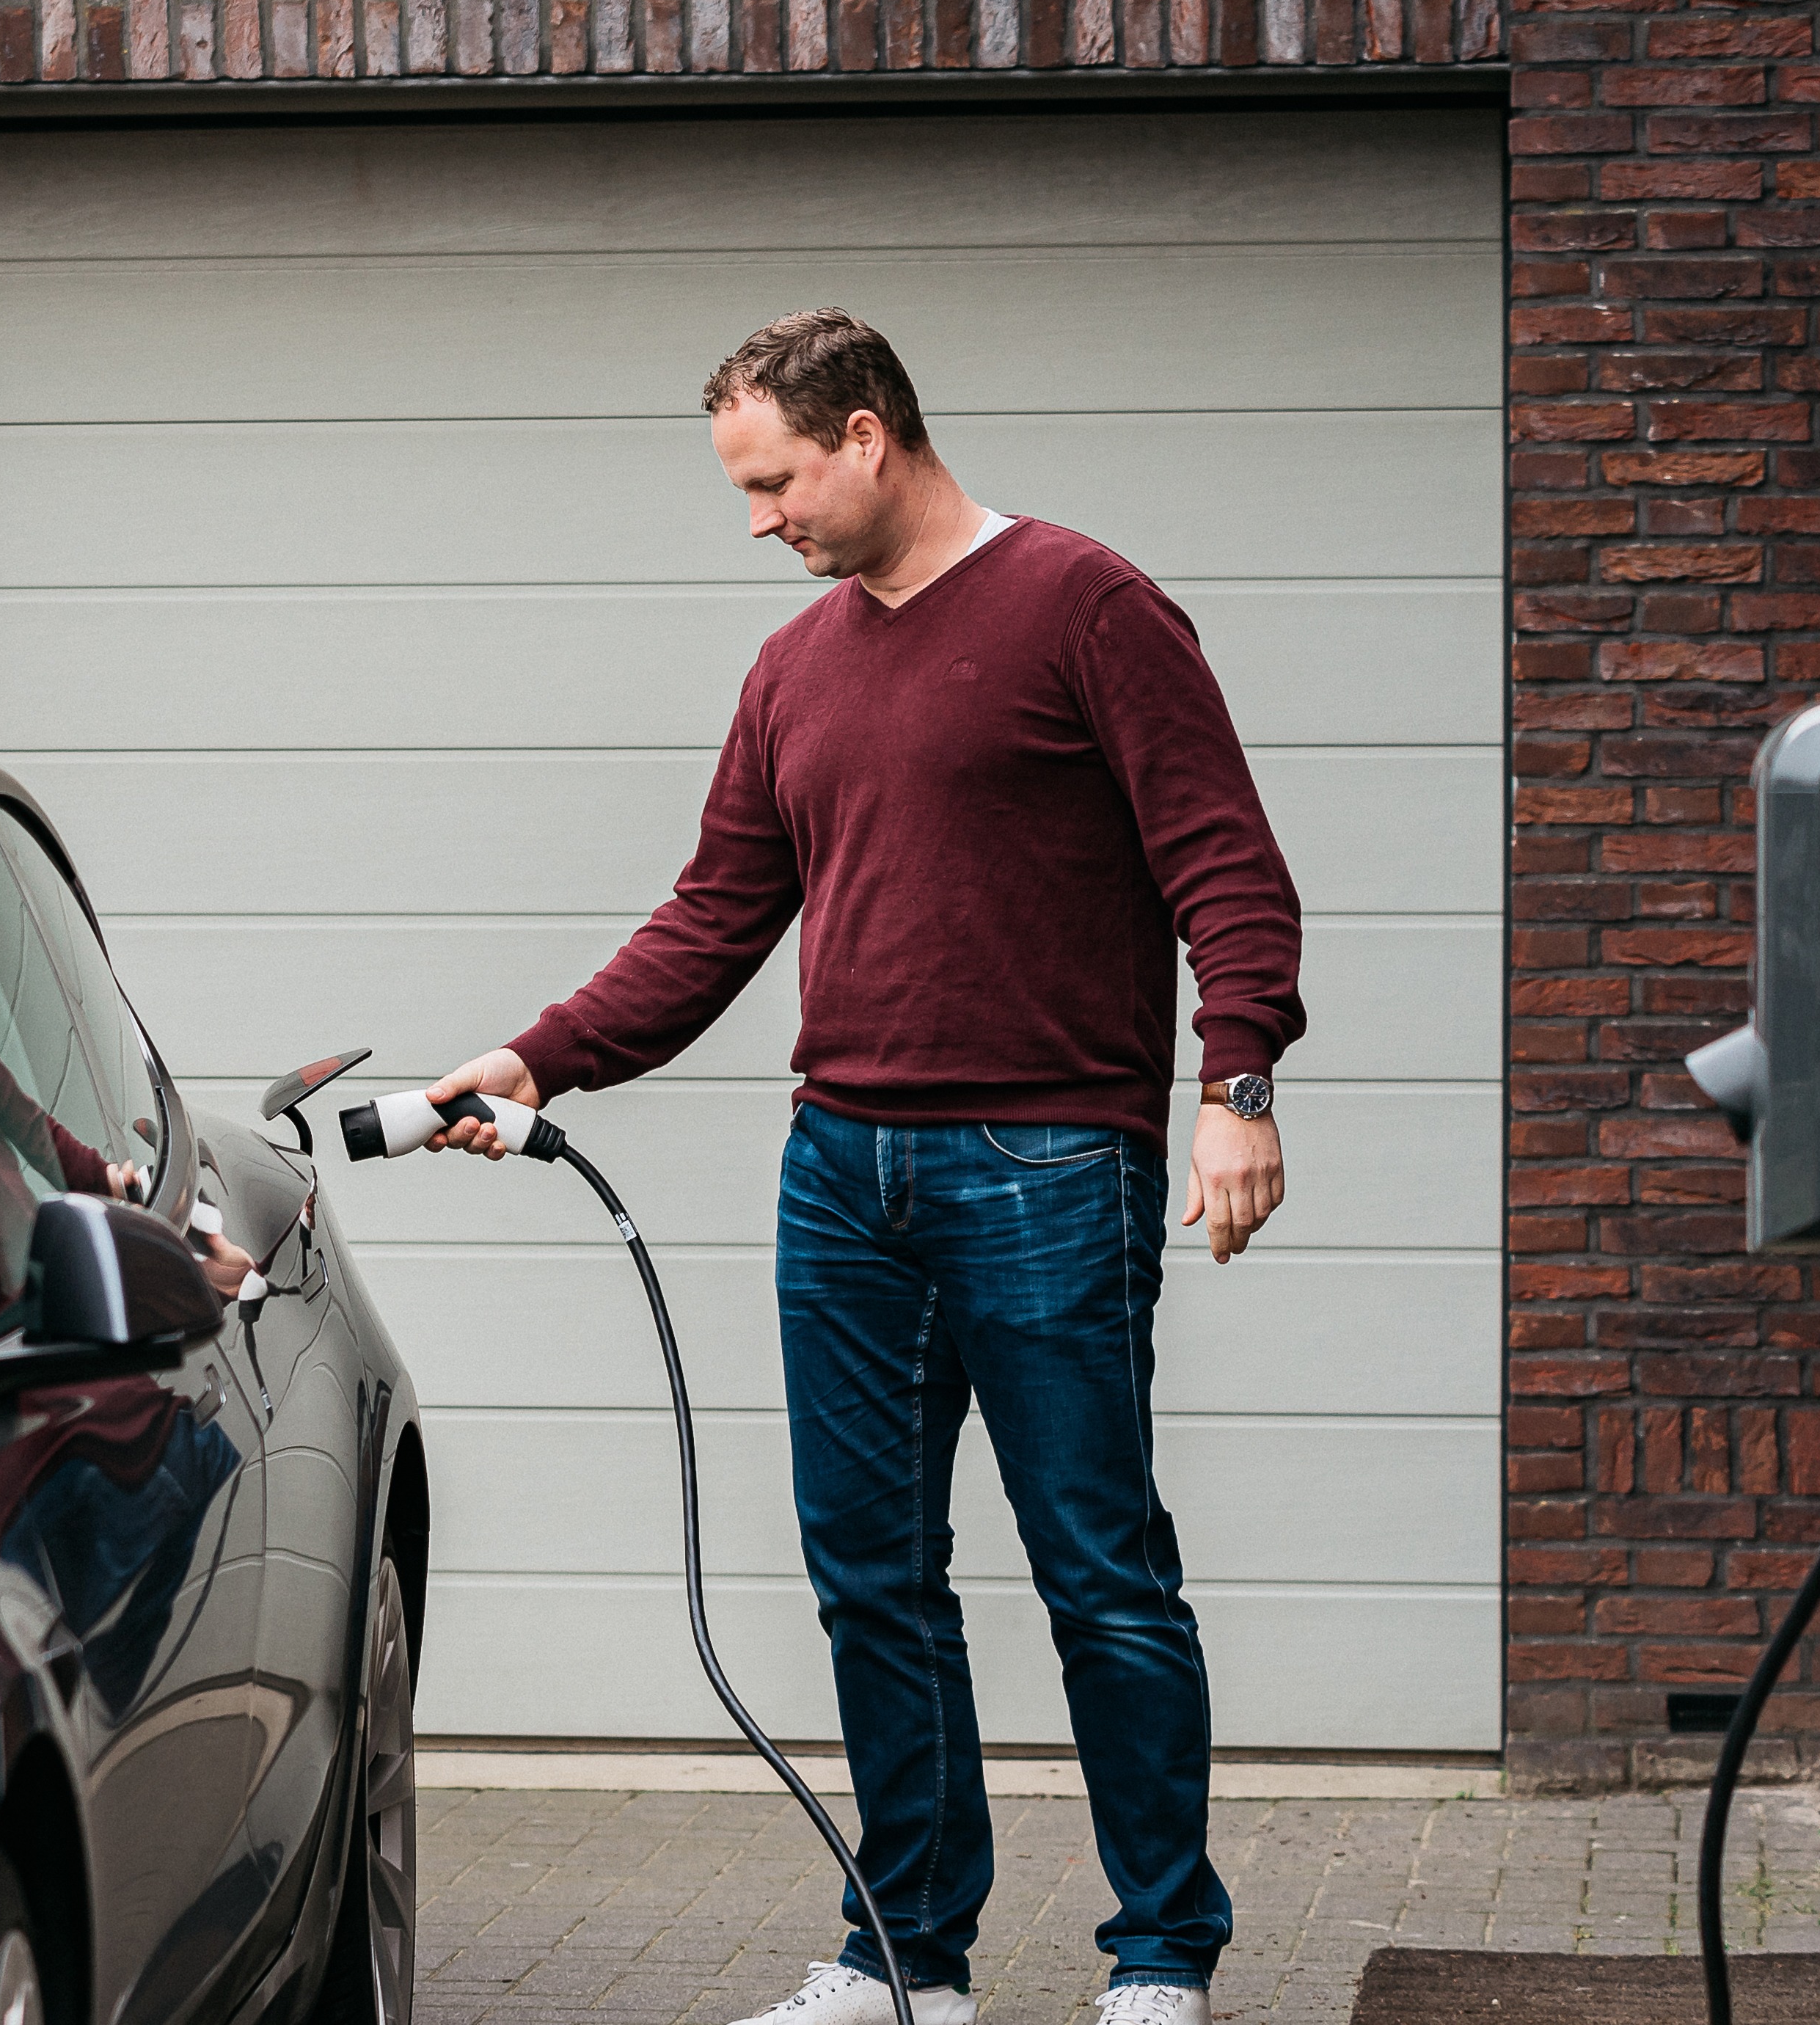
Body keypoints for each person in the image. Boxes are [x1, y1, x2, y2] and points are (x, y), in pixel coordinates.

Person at [422, 309, 1298, 2025]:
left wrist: (1239, 1080)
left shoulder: (1086, 605)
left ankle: (1161, 1957)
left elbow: (1227, 865)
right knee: (870, 1577)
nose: (759, 521)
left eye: (775, 483)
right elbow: (713, 916)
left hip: (1049, 1160)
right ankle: (908, 1960)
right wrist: (540, 1054)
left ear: (867, 435)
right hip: (840, 1174)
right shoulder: (793, 669)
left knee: (1100, 1570)